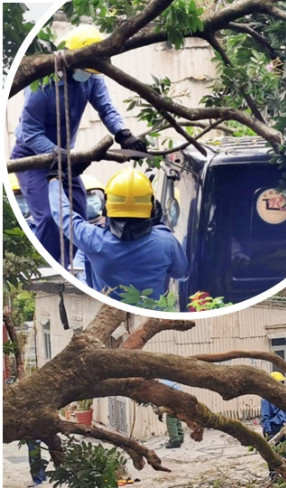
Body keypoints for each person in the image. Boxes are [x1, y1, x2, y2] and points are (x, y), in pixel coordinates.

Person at [10, 24, 146, 267]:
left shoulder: (92, 76)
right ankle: (47, 268)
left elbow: (105, 107)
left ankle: (66, 265)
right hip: (32, 157)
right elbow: (30, 131)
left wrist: (123, 134)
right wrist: (59, 156)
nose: (89, 72)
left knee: (79, 216)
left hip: (64, 157)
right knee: (51, 219)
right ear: (70, 60)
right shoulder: (42, 83)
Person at [48, 168, 189, 301]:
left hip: (105, 314)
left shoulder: (93, 239)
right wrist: (159, 226)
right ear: (152, 207)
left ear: (106, 206)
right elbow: (180, 272)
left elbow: (63, 215)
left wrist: (54, 181)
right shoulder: (166, 242)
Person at [261, 371, 286, 478]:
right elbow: (265, 417)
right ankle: (273, 474)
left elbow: (285, 410)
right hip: (272, 428)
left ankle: (285, 473)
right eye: (280, 383)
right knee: (272, 453)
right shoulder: (266, 399)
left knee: (284, 450)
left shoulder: (282, 397)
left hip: (281, 427)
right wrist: (269, 431)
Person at [158, 379, 184, 448]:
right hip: (181, 397)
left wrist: (160, 413)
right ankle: (180, 437)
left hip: (174, 399)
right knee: (176, 417)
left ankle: (175, 441)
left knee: (170, 419)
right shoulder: (165, 381)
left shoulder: (158, 385)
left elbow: (160, 401)